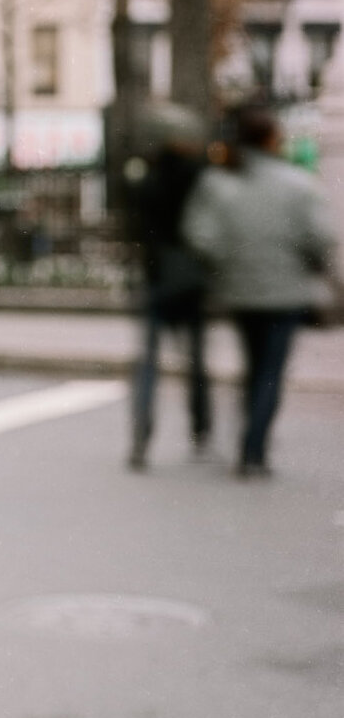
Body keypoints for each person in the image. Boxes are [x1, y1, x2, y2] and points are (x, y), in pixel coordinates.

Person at [183, 102, 338, 478]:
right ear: (271, 138)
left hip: (239, 290)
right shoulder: (297, 183)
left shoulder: (219, 183)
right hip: (285, 293)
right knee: (270, 370)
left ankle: (249, 437)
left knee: (253, 366)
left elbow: (198, 234)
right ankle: (254, 447)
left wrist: (230, 260)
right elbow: (320, 238)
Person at [122, 103, 213, 468]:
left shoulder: (145, 177)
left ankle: (142, 435)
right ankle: (200, 426)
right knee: (194, 360)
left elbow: (135, 224)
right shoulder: (199, 176)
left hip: (156, 274)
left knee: (148, 363)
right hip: (190, 276)